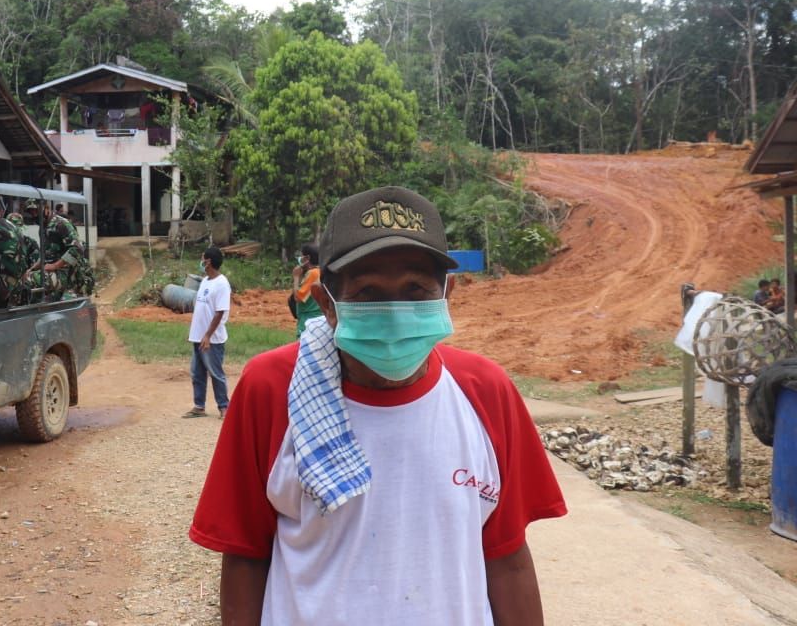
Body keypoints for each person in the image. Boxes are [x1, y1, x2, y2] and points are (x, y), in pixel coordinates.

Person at [189, 186, 567, 625]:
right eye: (368, 293)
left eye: (416, 290)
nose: (396, 311)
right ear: (328, 305)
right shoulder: (273, 389)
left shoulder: (485, 391)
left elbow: (507, 558)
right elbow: (245, 556)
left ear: (449, 294)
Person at [183, 246, 231, 419]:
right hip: (198, 336)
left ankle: (224, 407)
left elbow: (220, 312)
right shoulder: (205, 281)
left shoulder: (222, 284)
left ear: (208, 261)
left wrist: (208, 335)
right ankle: (199, 406)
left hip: (212, 339)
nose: (201, 261)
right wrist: (195, 333)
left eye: (203, 258)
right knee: (197, 372)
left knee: (216, 372)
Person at [24, 200, 92, 299]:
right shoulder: (43, 228)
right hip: (51, 272)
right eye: (31, 212)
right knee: (23, 278)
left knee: (29, 280)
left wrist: (55, 265)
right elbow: (44, 255)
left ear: (46, 208)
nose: (34, 214)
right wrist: (31, 269)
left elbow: (77, 249)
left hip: (65, 274)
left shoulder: (61, 224)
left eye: (35, 210)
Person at [290, 242, 321, 337]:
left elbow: (298, 298)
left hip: (309, 320)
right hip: (316, 319)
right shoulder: (319, 271)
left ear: (307, 258)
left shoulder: (312, 274)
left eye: (301, 256)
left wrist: (296, 277)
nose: (300, 258)